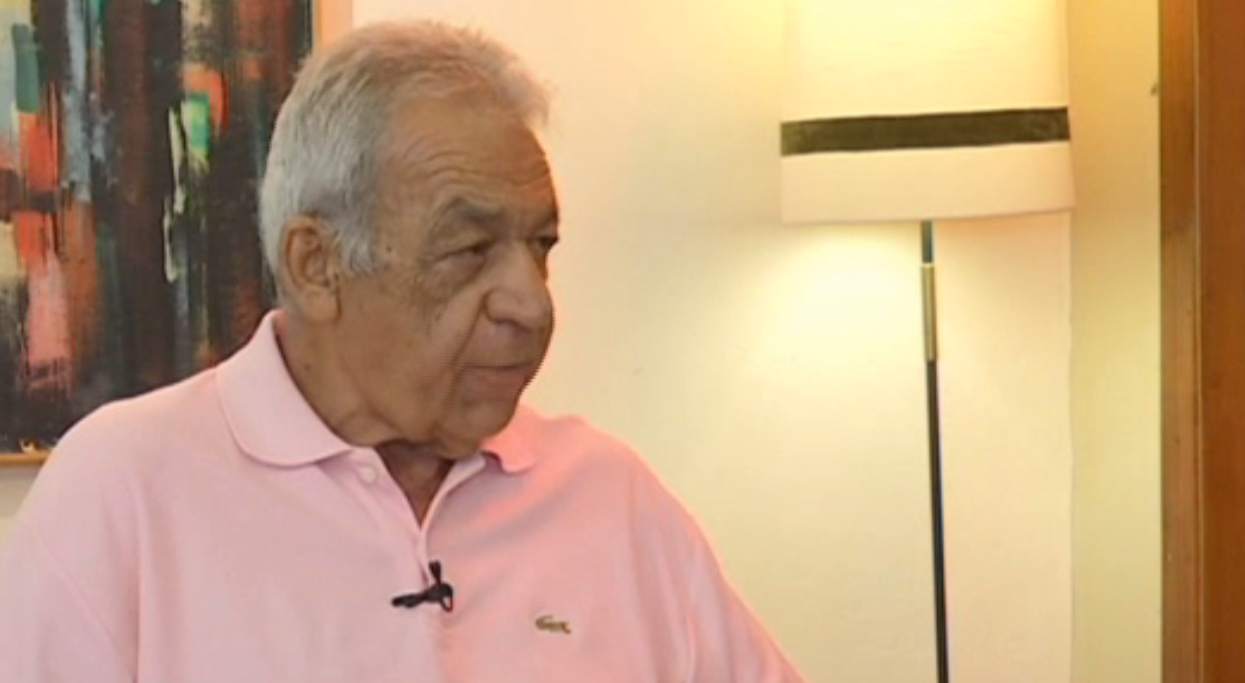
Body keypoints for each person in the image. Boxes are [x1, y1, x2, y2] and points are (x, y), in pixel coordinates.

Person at [0, 20, 805, 683]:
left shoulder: (610, 497)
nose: (531, 304)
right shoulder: (127, 491)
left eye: (540, 246)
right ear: (316, 265)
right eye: (469, 250)